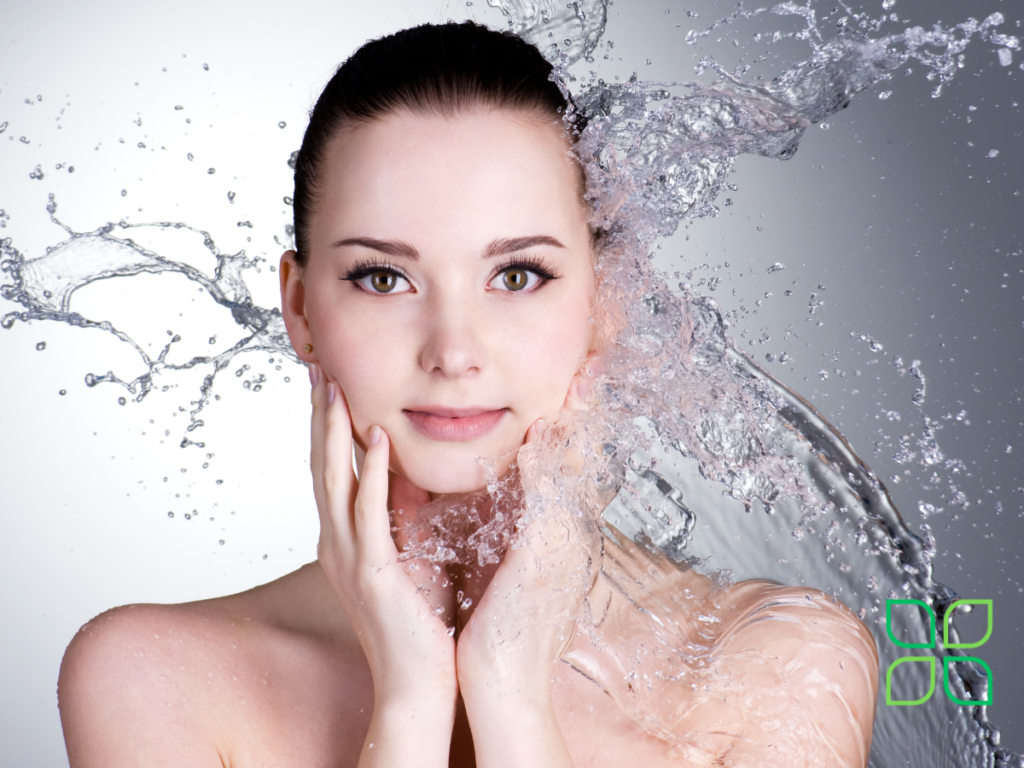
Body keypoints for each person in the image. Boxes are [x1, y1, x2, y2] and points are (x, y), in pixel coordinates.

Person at [57, 21, 879, 768]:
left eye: (517, 276)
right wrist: (411, 702)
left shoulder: (777, 662)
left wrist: (509, 691)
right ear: (302, 309)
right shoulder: (152, 678)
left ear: (607, 303)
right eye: (384, 278)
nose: (453, 351)